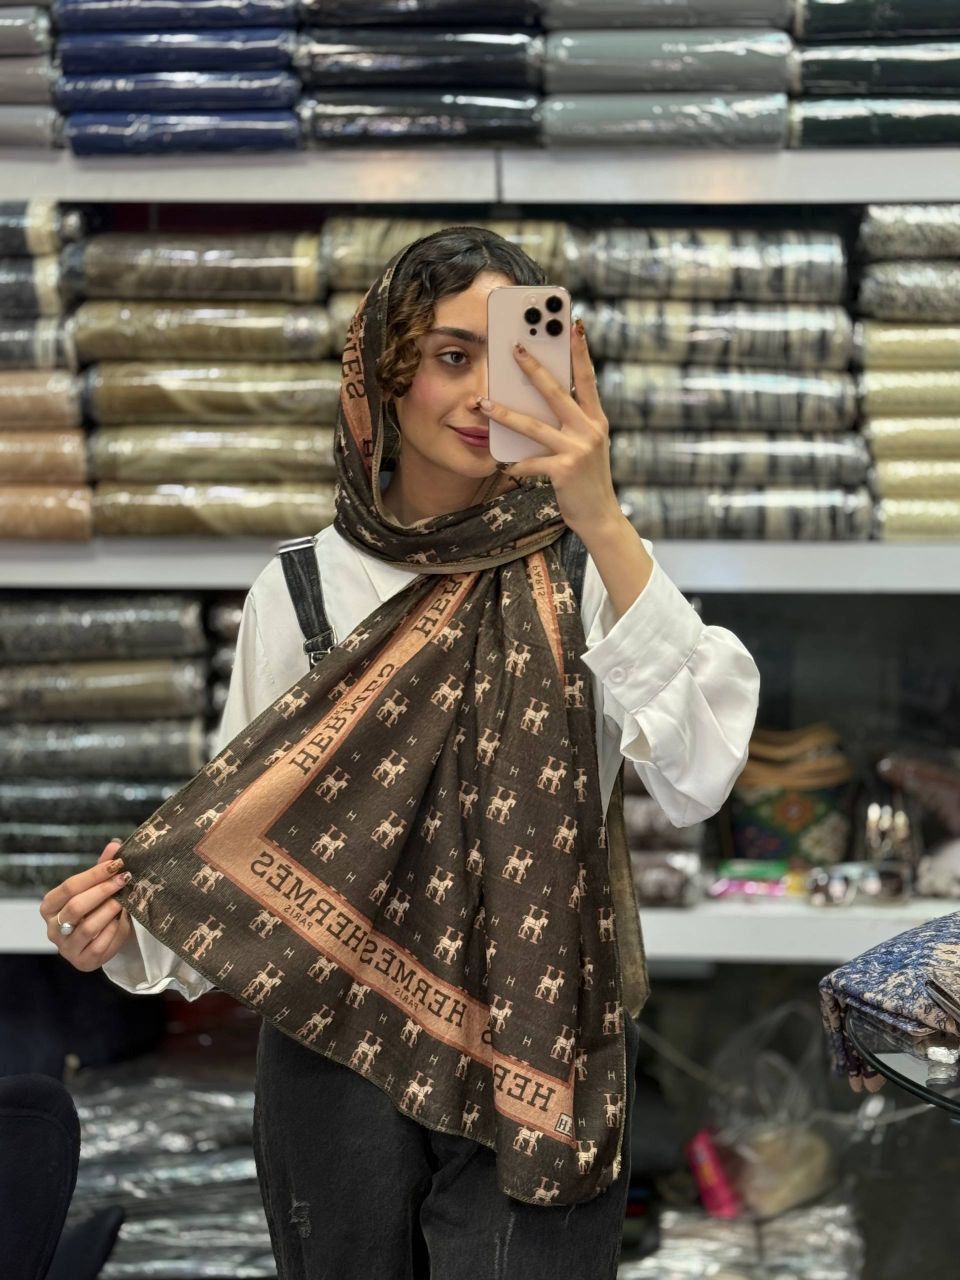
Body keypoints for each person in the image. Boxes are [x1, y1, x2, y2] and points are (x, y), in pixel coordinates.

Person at [39, 226, 760, 1279]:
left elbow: (699, 776)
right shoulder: (302, 589)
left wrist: (600, 513)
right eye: (450, 356)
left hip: (540, 1035)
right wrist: (124, 933)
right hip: (334, 1045)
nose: (480, 394)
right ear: (384, 373)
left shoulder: (589, 566)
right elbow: (245, 842)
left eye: (509, 357)